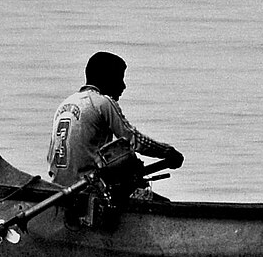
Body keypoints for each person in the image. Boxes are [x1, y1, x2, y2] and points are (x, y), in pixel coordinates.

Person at [47, 51, 183, 224]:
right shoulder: (102, 102)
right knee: (164, 205)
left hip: (58, 187)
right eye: (120, 78)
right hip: (87, 188)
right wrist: (168, 152)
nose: (123, 86)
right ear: (106, 78)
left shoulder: (65, 105)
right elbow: (134, 140)